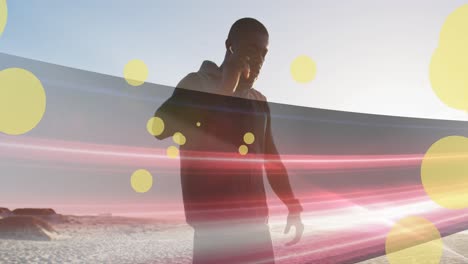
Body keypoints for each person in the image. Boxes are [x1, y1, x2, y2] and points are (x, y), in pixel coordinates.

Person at [153, 17, 303, 264]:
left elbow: (271, 158)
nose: (258, 61)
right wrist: (224, 89)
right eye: (251, 49)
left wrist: (292, 204)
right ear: (230, 46)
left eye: (264, 53)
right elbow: (158, 127)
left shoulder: (258, 100)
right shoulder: (196, 83)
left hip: (256, 230)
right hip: (214, 234)